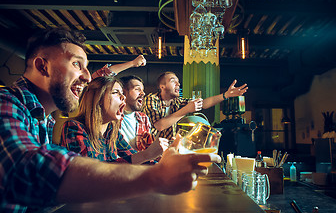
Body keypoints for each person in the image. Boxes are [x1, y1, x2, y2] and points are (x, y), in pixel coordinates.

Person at [0, 27, 220, 212]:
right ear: (42, 66)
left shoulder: (44, 120)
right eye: (77, 64)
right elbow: (25, 170)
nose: (87, 76)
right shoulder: (5, 103)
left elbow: (130, 159)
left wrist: (169, 164)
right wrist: (156, 177)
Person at [60, 76, 167, 164]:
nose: (123, 97)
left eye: (122, 93)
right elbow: (92, 171)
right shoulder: (74, 127)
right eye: (116, 92)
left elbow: (133, 156)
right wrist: (146, 154)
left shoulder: (111, 131)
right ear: (99, 99)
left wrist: (165, 165)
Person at [142, 71, 248, 140]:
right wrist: (186, 109)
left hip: (167, 150)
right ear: (162, 86)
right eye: (173, 81)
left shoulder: (177, 101)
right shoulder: (151, 99)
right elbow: (159, 125)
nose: (178, 84)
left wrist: (225, 95)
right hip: (150, 149)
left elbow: (203, 104)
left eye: (178, 82)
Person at [119, 75, 168, 153]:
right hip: (119, 164)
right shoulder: (113, 118)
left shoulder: (143, 118)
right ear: (123, 93)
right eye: (137, 89)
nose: (143, 93)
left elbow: (147, 148)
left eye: (142, 90)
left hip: (141, 163)